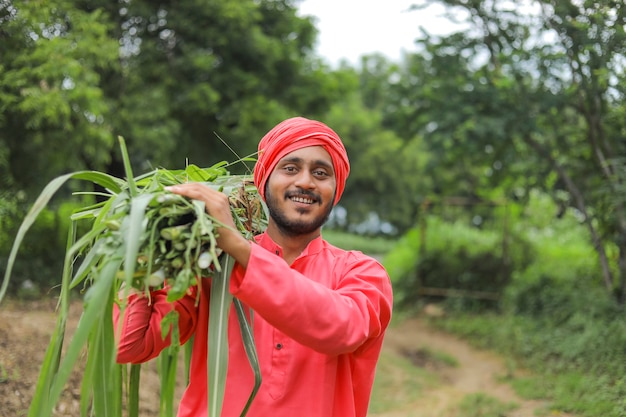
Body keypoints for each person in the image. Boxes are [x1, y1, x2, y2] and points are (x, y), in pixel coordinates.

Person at [113, 116, 394, 417]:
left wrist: (240, 249)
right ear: (264, 181)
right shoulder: (214, 264)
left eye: (321, 173)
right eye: (290, 168)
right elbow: (130, 345)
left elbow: (341, 328)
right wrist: (144, 253)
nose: (305, 181)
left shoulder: (362, 273)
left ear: (335, 190)